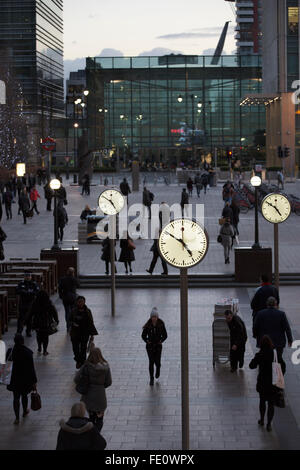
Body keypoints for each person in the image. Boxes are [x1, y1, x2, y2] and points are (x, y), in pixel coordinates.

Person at [249, 335, 285, 431]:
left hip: (263, 383)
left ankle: (262, 419)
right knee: (271, 404)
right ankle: (269, 424)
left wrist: (257, 358)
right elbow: (283, 366)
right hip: (273, 383)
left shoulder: (260, 354)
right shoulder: (275, 354)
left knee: (262, 401)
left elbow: (251, 366)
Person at [74, 347, 112, 434]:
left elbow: (76, 379)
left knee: (91, 418)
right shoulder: (106, 367)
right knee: (99, 418)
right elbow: (109, 382)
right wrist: (101, 386)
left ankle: (92, 434)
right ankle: (96, 434)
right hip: (100, 397)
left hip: (88, 396)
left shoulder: (86, 366)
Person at [253, 297, 293, 375]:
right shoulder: (281, 314)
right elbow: (287, 328)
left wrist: (255, 335)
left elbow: (255, 326)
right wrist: (290, 340)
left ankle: (267, 373)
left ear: (267, 304)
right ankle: (276, 375)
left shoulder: (260, 313)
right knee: (278, 359)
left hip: (265, 342)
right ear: (276, 304)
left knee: (265, 358)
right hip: (278, 342)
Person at [6, 334, 38, 425]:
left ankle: (16, 418)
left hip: (14, 379)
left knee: (16, 398)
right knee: (24, 395)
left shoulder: (10, 351)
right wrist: (34, 381)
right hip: (25, 379)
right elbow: (31, 369)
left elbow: (7, 364)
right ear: (23, 341)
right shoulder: (27, 352)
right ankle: (24, 411)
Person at [69, 296, 98, 369]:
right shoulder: (73, 311)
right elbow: (69, 320)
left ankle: (82, 363)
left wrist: (92, 334)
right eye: (79, 301)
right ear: (77, 302)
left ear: (84, 302)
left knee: (83, 348)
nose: (81, 303)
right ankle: (78, 360)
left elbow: (91, 322)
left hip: (85, 333)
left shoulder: (88, 311)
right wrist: (73, 323)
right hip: (75, 333)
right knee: (75, 349)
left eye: (82, 301)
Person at [142, 308, 168, 386]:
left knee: (158, 362)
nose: (154, 318)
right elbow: (143, 335)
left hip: (158, 346)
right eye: (153, 317)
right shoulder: (148, 325)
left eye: (155, 317)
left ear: (157, 317)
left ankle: (158, 370)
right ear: (151, 317)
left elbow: (165, 335)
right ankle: (151, 378)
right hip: (149, 347)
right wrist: (147, 341)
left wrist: (161, 341)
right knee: (151, 362)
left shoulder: (161, 324)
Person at [29, 290, 59, 356]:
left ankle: (39, 347)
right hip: (46, 322)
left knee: (38, 335)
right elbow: (54, 312)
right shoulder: (49, 302)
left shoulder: (35, 302)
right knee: (45, 337)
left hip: (37, 322)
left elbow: (31, 312)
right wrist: (56, 320)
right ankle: (45, 350)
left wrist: (28, 321)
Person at [16, 272, 40, 336]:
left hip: (31, 303)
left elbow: (37, 292)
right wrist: (28, 293)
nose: (27, 277)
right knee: (21, 319)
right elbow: (17, 291)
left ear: (31, 277)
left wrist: (26, 293)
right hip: (23, 303)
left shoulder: (33, 284)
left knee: (29, 318)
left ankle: (28, 331)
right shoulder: (21, 283)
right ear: (24, 277)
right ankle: (19, 331)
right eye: (26, 276)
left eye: (29, 276)